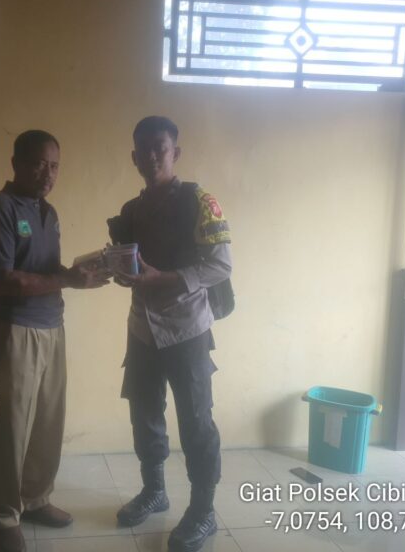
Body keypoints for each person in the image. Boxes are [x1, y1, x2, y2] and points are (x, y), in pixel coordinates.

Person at [0, 129, 110, 552]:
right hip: (14, 331)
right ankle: (4, 517)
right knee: (10, 429)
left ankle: (34, 499)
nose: (47, 174)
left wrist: (83, 272)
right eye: (38, 164)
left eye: (54, 166)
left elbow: (48, 271)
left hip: (53, 327)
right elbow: (3, 281)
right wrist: (67, 280)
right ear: (16, 163)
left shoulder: (48, 213)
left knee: (47, 424)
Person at [108, 116, 232, 552]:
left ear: (174, 152)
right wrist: (118, 271)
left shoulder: (200, 201)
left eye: (159, 147)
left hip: (187, 328)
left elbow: (221, 265)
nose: (152, 156)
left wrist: (166, 279)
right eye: (143, 149)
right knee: (144, 412)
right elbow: (132, 267)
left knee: (196, 421)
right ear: (134, 157)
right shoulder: (130, 211)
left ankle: (203, 510)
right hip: (141, 328)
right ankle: (155, 490)